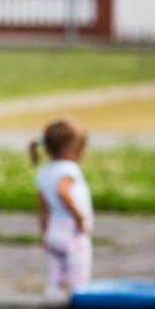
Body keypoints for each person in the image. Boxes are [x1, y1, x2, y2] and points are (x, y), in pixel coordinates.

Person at [30, 118, 94, 298]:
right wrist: (79, 217)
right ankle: (80, 307)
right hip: (71, 231)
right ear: (72, 148)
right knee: (79, 277)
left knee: (55, 277)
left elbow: (42, 208)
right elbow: (62, 192)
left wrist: (43, 234)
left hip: (54, 232)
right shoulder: (68, 169)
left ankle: (51, 303)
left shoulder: (44, 171)